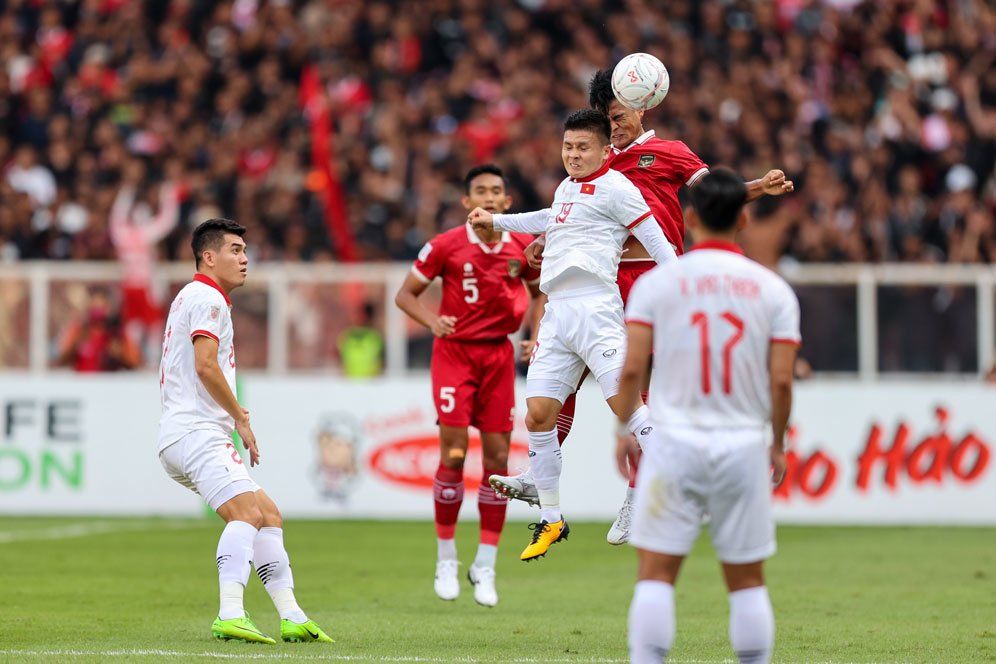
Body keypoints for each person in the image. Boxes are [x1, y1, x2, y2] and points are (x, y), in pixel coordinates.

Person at [492, 68, 795, 546]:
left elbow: (710, 191)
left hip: (654, 278)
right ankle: (540, 475)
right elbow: (575, 216)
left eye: (619, 116)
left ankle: (640, 497)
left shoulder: (669, 153)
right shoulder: (594, 161)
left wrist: (758, 186)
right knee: (562, 382)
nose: (614, 126)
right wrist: (545, 241)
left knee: (645, 392)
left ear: (641, 105)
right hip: (606, 281)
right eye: (606, 120)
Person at [469, 109, 676, 562]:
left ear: (605, 150)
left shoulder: (621, 189)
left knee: (627, 409)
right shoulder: (566, 187)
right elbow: (550, 216)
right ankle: (552, 517)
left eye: (583, 147)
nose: (574, 154)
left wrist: (685, 288)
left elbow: (658, 241)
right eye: (568, 147)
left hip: (597, 310)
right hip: (558, 314)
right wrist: (498, 223)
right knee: (538, 415)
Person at [617, 168, 800, 664]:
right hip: (741, 443)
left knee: (656, 574)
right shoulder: (772, 290)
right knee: (746, 581)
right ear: (743, 217)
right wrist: (777, 442)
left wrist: (623, 431)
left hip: (674, 442)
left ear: (689, 216)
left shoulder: (657, 285)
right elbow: (782, 381)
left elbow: (633, 366)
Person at [158, 218, 333, 644]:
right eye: (235, 250)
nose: (244, 258)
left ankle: (292, 615)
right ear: (209, 256)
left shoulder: (193, 297)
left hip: (188, 433)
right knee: (248, 515)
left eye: (245, 250)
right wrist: (240, 417)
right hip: (197, 432)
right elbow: (205, 365)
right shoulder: (208, 298)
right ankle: (230, 613)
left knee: (268, 514)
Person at [395, 164, 542, 606]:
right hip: (455, 355)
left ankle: (486, 564)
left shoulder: (522, 244)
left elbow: (540, 293)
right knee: (454, 453)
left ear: (508, 202)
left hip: (498, 356)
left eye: (497, 190)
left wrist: (536, 334)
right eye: (480, 190)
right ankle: (445, 559)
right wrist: (432, 321)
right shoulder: (445, 246)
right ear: (466, 202)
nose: (490, 197)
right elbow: (405, 295)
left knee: (497, 462)